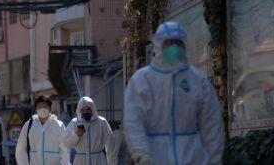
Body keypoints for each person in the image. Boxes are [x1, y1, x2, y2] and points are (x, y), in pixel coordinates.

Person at [123, 21, 223, 164]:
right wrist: (142, 154)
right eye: (169, 43)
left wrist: (214, 159)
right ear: (159, 45)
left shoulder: (197, 80)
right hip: (155, 158)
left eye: (178, 43)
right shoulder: (142, 81)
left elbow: (212, 123)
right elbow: (133, 121)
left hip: (193, 158)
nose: (174, 48)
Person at [15, 96, 69, 165]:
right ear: (36, 109)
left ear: (50, 108)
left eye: (45, 107)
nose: (42, 109)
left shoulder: (59, 125)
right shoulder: (29, 125)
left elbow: (65, 148)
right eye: (39, 107)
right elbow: (21, 148)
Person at [62, 96, 116, 165]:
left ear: (93, 109)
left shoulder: (101, 122)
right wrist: (76, 136)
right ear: (79, 111)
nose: (85, 112)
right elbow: (66, 143)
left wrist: (112, 163)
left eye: (88, 109)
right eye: (83, 110)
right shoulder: (74, 123)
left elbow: (111, 145)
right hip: (81, 161)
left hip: (98, 160)